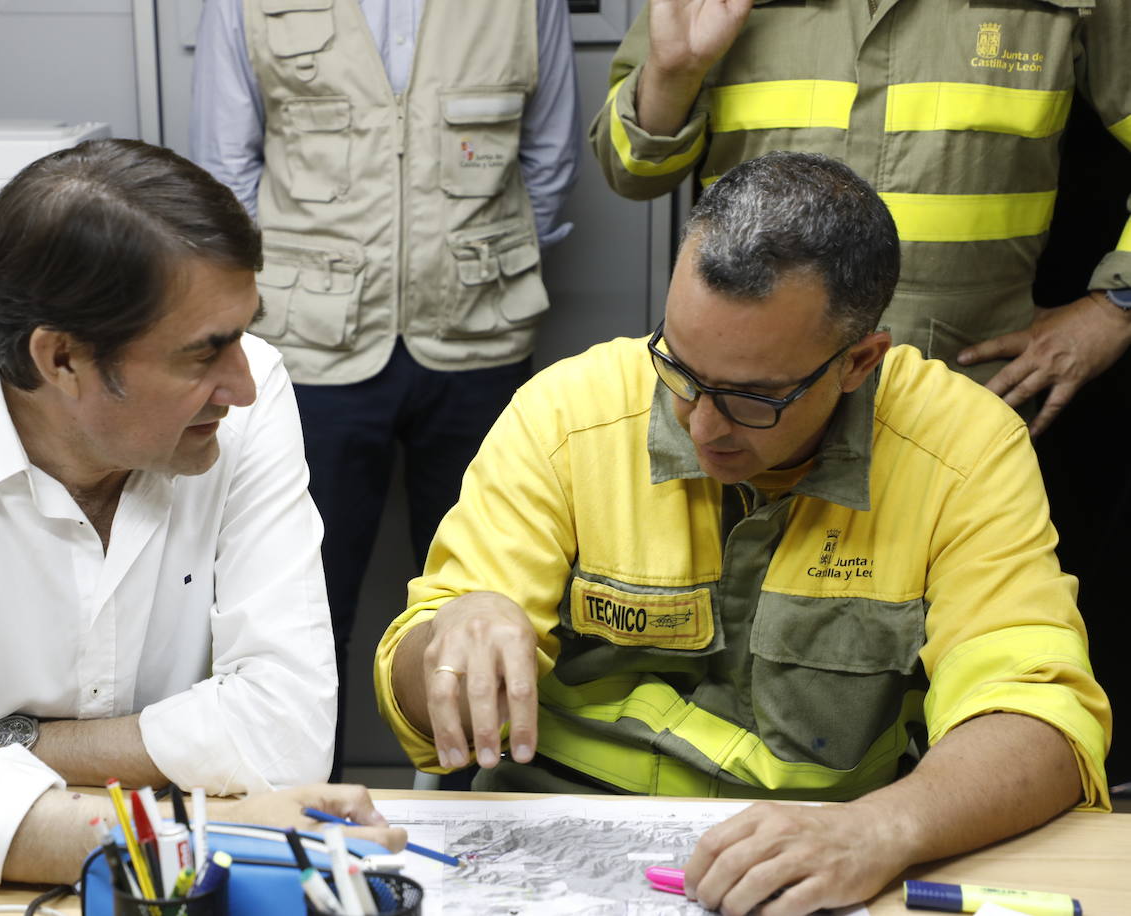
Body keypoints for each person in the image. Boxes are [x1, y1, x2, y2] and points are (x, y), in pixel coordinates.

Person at [374, 152, 1110, 915]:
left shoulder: (961, 449)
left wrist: (879, 832)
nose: (702, 424)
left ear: (859, 361)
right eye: (681, 370)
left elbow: (1040, 721)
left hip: (826, 857)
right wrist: (450, 643)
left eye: (753, 396)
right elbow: (415, 683)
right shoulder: (566, 415)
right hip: (552, 846)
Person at [0, 138, 402, 885]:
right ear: (62, 359)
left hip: (136, 881)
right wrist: (185, 831)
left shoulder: (250, 397)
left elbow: (287, 734)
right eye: (202, 353)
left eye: (241, 334)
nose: (242, 383)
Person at [189, 0, 581, 776]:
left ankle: (477, 830)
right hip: (312, 351)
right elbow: (222, 170)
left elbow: (551, 159)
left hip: (478, 337)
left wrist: (468, 262)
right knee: (300, 613)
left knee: (491, 610)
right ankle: (304, 815)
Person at [590, 0, 1131, 438]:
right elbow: (631, 169)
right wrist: (673, 73)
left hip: (960, 406)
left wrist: (1114, 309)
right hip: (739, 407)